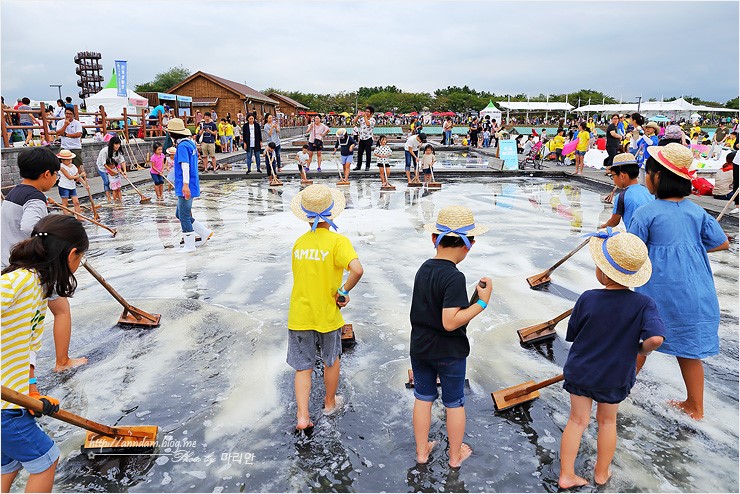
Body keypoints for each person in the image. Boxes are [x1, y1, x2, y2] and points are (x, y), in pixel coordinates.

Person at [558, 229, 665, 489]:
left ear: (603, 272)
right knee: (607, 422)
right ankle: (601, 473)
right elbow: (656, 339)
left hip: (582, 370)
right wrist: (640, 349)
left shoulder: (588, 298)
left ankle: (566, 475)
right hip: (615, 375)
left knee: (577, 421)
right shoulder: (644, 304)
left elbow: (572, 334)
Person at [630, 143, 730, 420]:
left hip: (661, 290)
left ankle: (619, 389)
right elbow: (721, 243)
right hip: (697, 289)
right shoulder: (697, 212)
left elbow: (632, 251)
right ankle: (695, 406)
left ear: (658, 177)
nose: (644, 177)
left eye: (646, 172)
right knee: (688, 351)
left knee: (641, 340)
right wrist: (689, 249)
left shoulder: (647, 213)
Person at [1, 214, 89, 493]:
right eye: (81, 260)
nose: (78, 267)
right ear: (71, 254)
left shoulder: (40, 289)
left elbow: (26, 351)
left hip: (12, 399)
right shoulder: (20, 282)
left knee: (9, 463)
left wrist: (32, 393)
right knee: (46, 459)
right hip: (4, 410)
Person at [411, 206, 491, 467]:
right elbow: (449, 322)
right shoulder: (454, 276)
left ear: (434, 239)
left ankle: (422, 452)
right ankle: (455, 457)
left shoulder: (424, 268)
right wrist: (481, 304)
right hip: (449, 352)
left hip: (421, 348)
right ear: (469, 245)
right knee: (454, 403)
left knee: (423, 399)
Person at [1, 148, 86, 374]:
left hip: (8, 262)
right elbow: (31, 227)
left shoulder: (14, 193)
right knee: (61, 310)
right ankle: (62, 361)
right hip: (35, 264)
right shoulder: (35, 197)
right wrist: (56, 238)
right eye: (56, 174)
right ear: (46, 174)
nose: (57, 179)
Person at [287, 184, 364, 431]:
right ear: (332, 214)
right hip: (327, 314)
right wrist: (343, 292)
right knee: (331, 359)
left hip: (299, 314)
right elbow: (357, 269)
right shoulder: (337, 241)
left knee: (303, 366)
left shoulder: (299, 243)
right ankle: (329, 403)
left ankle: (302, 416)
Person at [168, 118, 213, 253]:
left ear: (172, 134)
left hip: (186, 184)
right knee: (180, 213)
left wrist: (185, 185)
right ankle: (204, 232)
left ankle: (189, 245)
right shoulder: (190, 143)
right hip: (192, 182)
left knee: (184, 215)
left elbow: (185, 166)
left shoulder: (182, 146)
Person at [599, 153, 653, 228]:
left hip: (635, 237)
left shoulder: (622, 196)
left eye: (613, 176)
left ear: (622, 176)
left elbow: (614, 222)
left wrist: (601, 228)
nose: (613, 179)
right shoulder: (648, 191)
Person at [95, 136, 126, 203]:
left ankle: (118, 198)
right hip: (102, 167)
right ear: (112, 144)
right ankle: (109, 198)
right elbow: (104, 164)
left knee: (116, 183)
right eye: (116, 144)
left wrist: (124, 171)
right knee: (107, 182)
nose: (117, 146)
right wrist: (113, 172)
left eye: (118, 144)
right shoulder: (105, 151)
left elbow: (122, 161)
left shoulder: (118, 151)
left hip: (113, 167)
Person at [56, 150, 83, 217]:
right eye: (67, 160)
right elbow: (70, 177)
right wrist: (80, 175)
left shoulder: (73, 166)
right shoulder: (61, 167)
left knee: (76, 202)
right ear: (62, 160)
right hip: (64, 186)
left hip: (72, 186)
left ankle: (79, 217)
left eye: (70, 160)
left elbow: (77, 176)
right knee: (65, 203)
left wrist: (85, 184)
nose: (70, 161)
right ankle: (66, 217)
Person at [353, 106, 375, 171]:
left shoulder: (372, 120)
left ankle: (367, 166)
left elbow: (368, 124)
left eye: (368, 112)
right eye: (366, 111)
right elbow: (354, 122)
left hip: (368, 138)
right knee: (359, 153)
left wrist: (365, 117)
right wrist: (358, 115)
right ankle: (358, 166)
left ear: (371, 113)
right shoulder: (362, 118)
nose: (366, 113)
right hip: (362, 138)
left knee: (368, 153)